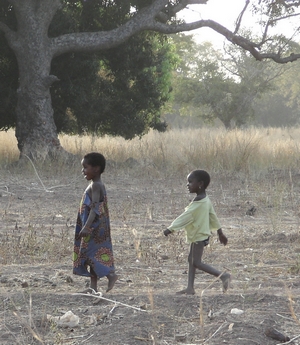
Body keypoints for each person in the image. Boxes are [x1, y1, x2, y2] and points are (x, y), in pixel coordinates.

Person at [164, 169, 230, 295]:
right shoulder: (205, 199)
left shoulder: (199, 203)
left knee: (196, 262)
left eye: (190, 182)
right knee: (191, 260)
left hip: (199, 235)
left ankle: (223, 276)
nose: (187, 185)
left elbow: (185, 216)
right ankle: (190, 288)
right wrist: (220, 232)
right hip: (199, 234)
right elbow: (213, 216)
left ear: (200, 184)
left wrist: (170, 229)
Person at [73, 152, 118, 293]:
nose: (83, 171)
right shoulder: (95, 184)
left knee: (91, 253)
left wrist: (86, 226)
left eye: (85, 167)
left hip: (93, 227)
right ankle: (93, 287)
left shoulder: (96, 186)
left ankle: (111, 275)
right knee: (92, 254)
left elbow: (95, 208)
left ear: (96, 169)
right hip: (96, 226)